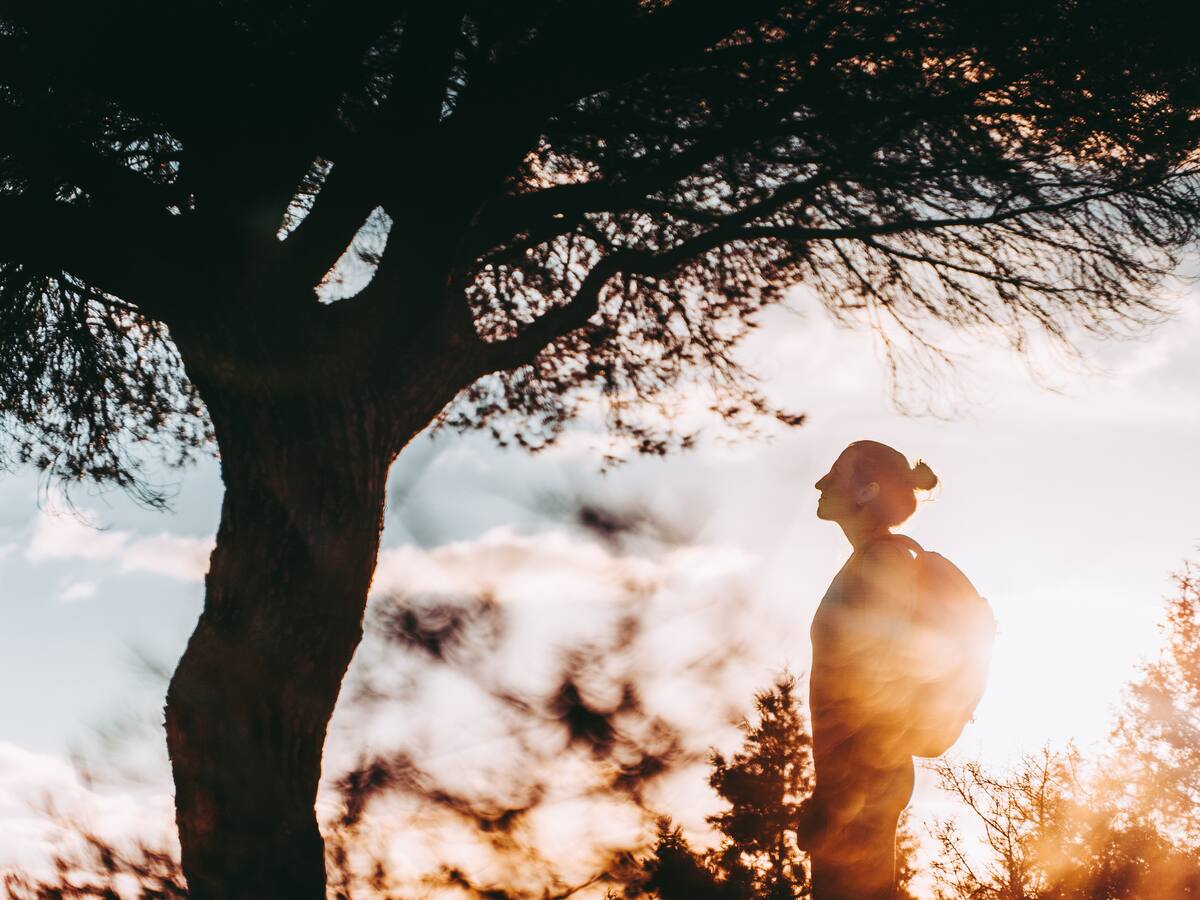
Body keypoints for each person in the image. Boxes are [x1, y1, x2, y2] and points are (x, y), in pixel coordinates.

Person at [800, 440, 940, 899]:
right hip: (856, 778)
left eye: (836, 474)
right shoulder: (870, 560)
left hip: (862, 781)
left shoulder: (882, 562)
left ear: (867, 492)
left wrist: (839, 793)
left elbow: (886, 676)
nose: (820, 483)